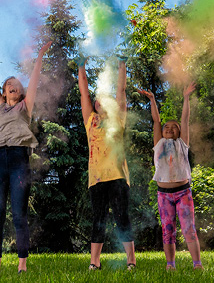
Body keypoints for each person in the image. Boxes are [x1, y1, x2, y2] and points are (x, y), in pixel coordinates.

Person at [0, 41, 51, 273]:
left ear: (20, 92)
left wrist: (39, 55)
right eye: (8, 84)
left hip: (19, 160)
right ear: (3, 90)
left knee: (19, 214)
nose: (13, 86)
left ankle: (22, 265)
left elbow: (34, 81)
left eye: (16, 85)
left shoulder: (25, 107)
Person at [78, 58, 136, 270]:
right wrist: (81, 67)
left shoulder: (118, 118)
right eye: (98, 99)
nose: (100, 101)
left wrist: (122, 66)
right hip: (96, 177)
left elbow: (121, 91)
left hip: (118, 175)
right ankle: (95, 262)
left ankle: (131, 260)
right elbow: (84, 93)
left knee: (122, 217)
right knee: (98, 219)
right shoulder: (90, 120)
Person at [139, 84, 202, 270]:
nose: (169, 128)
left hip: (183, 193)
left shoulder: (182, 144)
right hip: (164, 194)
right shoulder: (159, 144)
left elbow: (185, 119)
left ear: (180, 132)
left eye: (174, 127)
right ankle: (170, 264)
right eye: (167, 126)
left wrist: (186, 98)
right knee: (168, 230)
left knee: (189, 229)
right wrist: (152, 100)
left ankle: (197, 264)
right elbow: (156, 122)